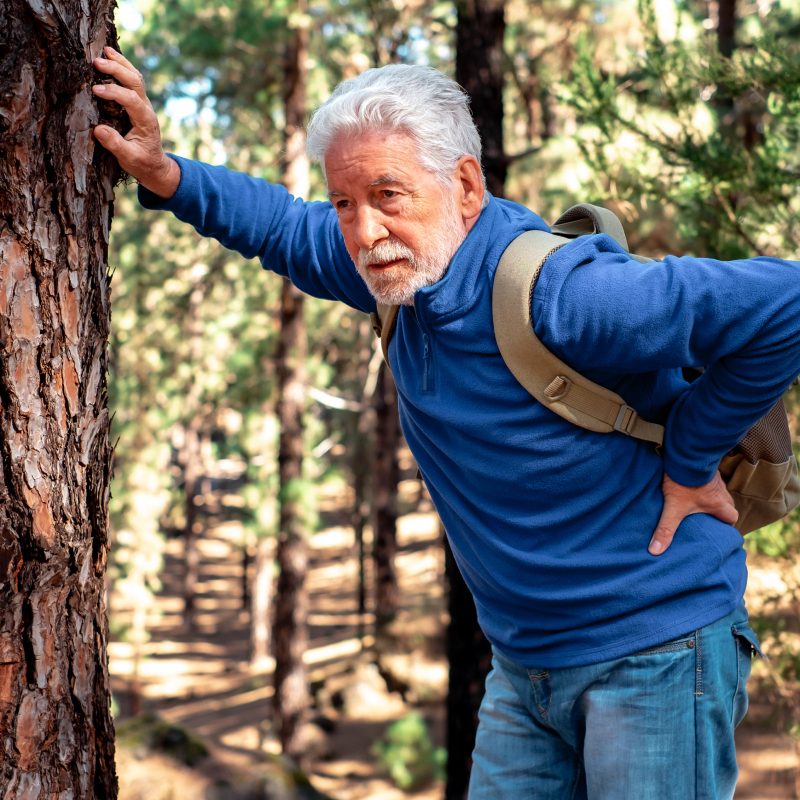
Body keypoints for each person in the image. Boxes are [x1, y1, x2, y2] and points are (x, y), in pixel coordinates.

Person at [91, 46, 799, 799]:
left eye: (388, 194)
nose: (363, 232)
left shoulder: (564, 296)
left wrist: (693, 457)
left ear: (464, 185)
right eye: (344, 202)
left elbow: (783, 304)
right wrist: (166, 172)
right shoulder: (400, 273)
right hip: (525, 671)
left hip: (655, 651)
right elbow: (283, 229)